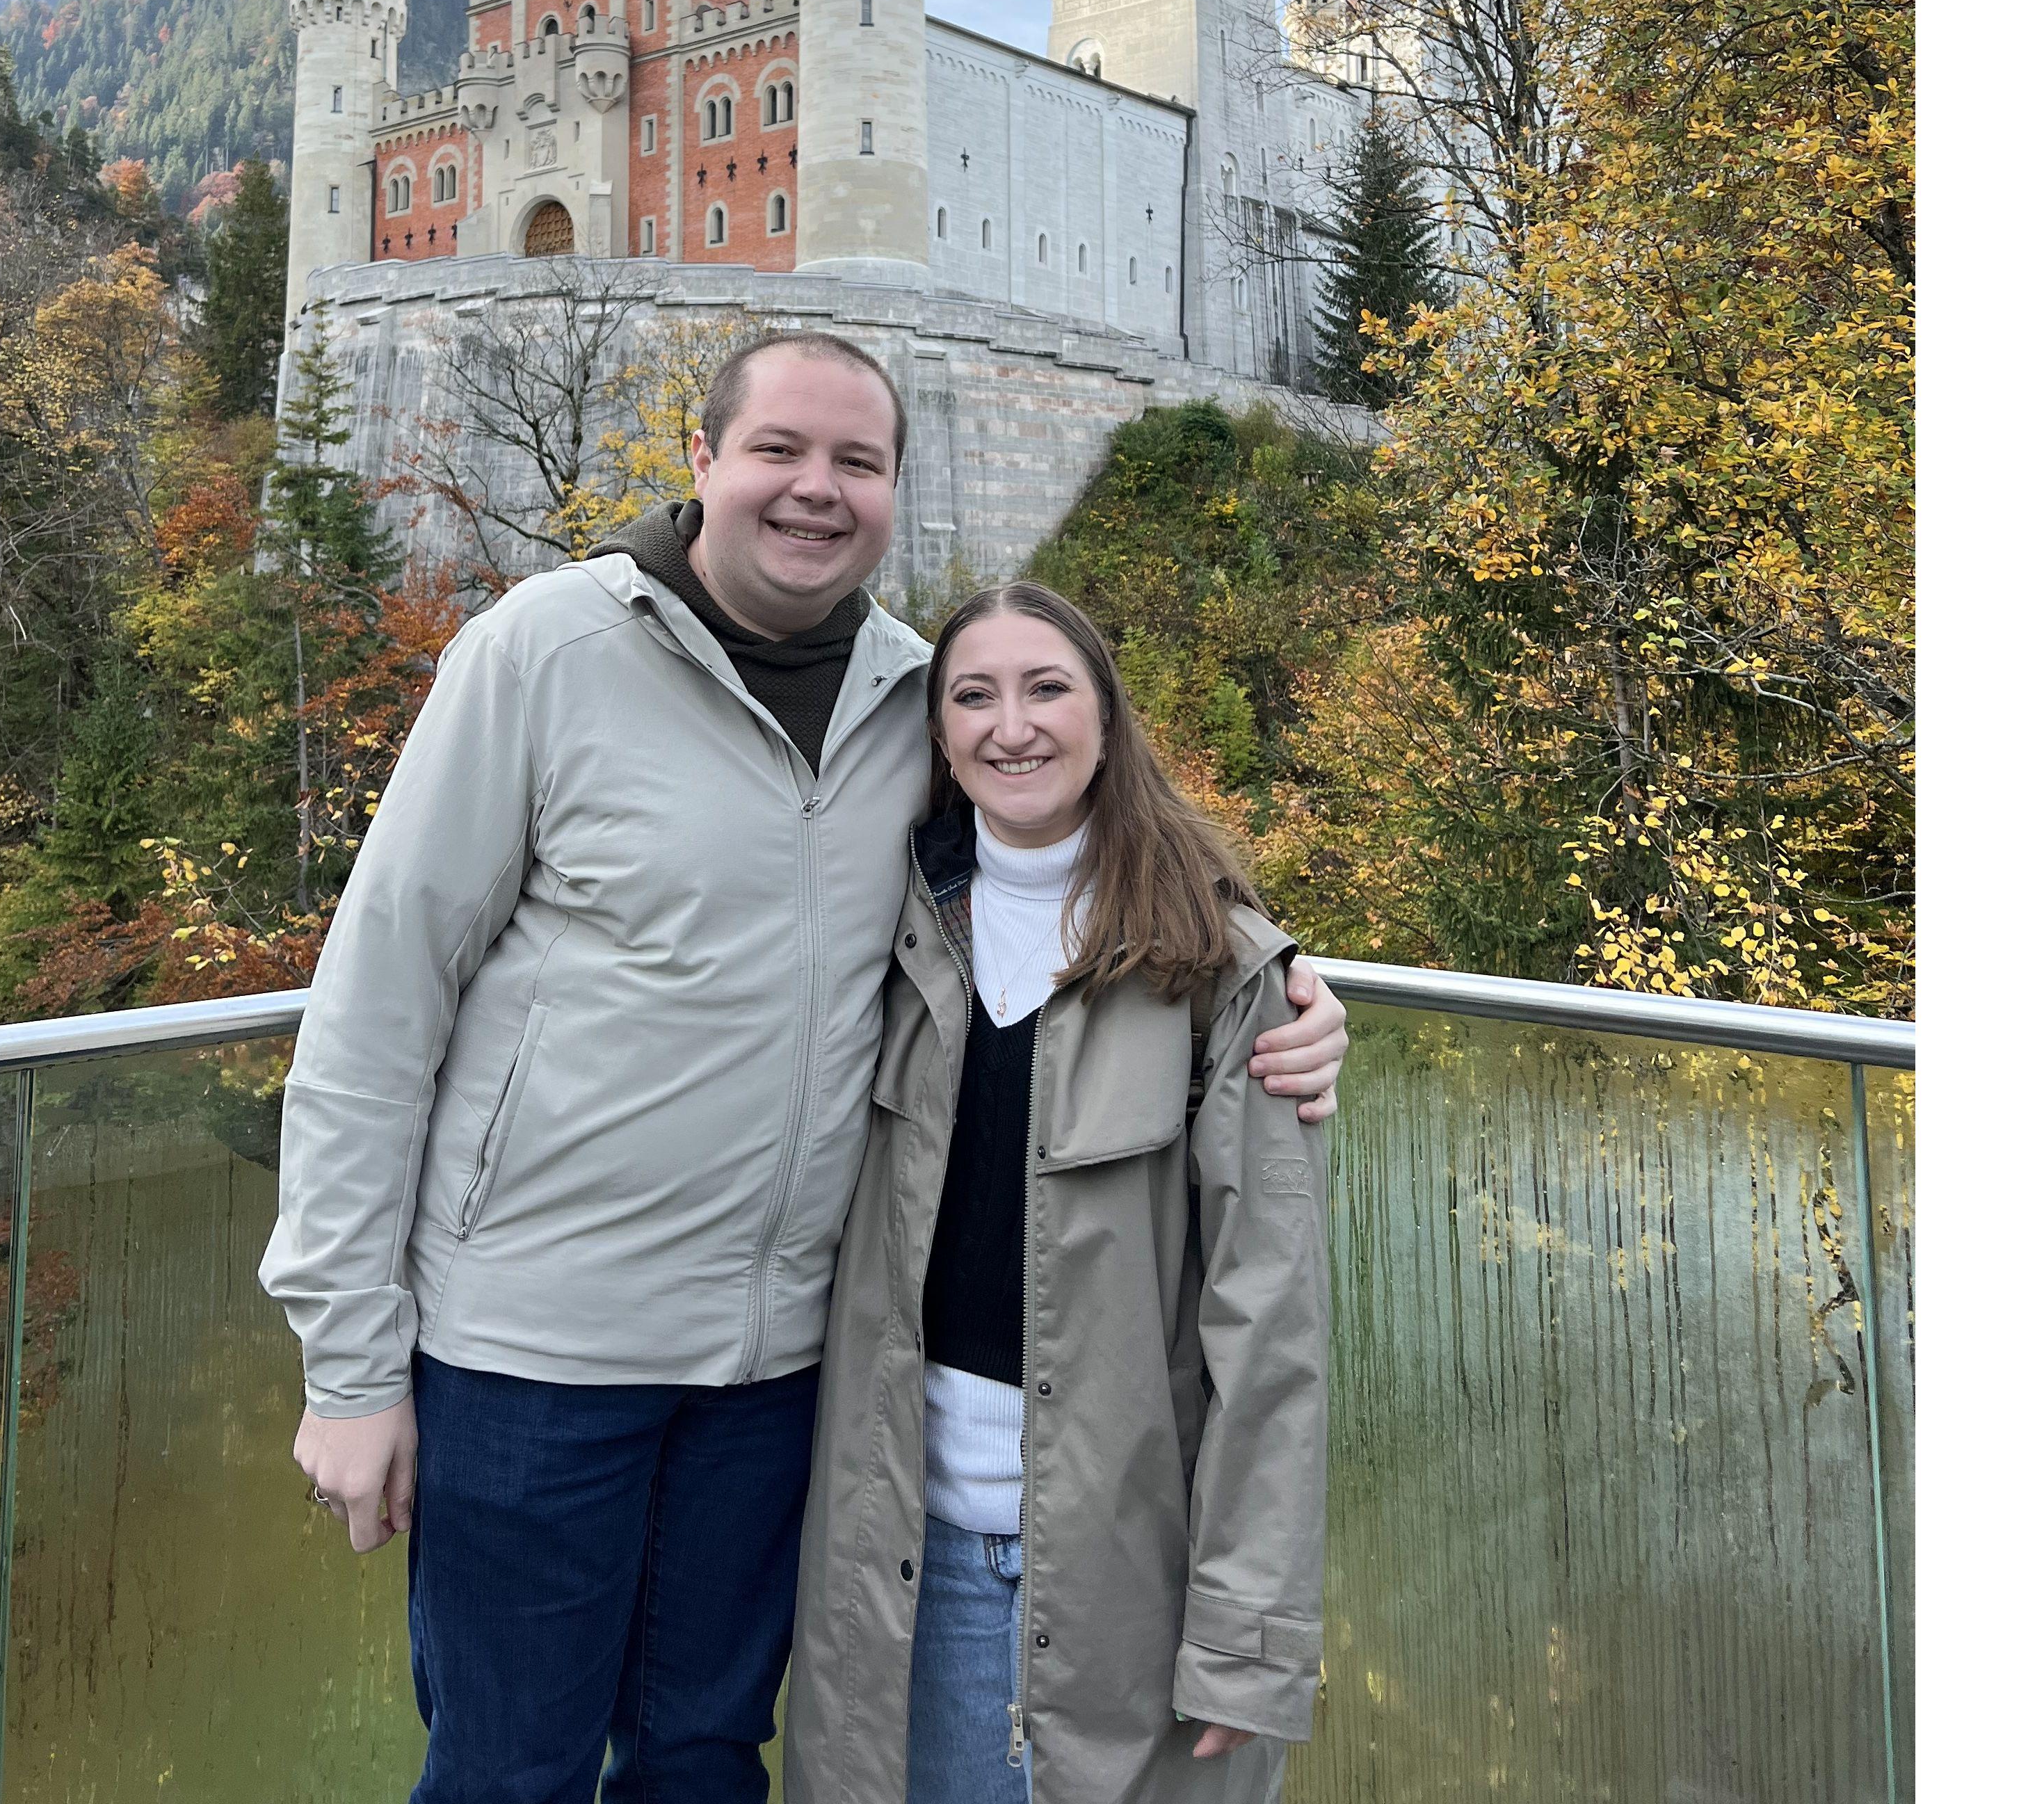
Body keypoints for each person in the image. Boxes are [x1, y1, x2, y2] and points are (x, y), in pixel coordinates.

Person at [264, 332, 1348, 1801]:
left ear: (899, 488)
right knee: (509, 1768)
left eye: (859, 462)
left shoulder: (916, 700)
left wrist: (1278, 988)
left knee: (707, 1761)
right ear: (702, 461)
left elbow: (1074, 866)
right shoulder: (545, 649)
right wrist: (348, 1360)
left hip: (781, 1378)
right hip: (533, 1355)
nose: (815, 490)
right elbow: (376, 1011)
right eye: (779, 450)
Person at [783, 580, 1329, 1802]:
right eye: (972, 695)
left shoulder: (1223, 973)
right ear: (937, 734)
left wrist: (1247, 1639)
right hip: (897, 1561)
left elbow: (1271, 1333)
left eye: (1047, 689)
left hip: (1123, 1576)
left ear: (1106, 716)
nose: (1010, 726)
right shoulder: (876, 936)